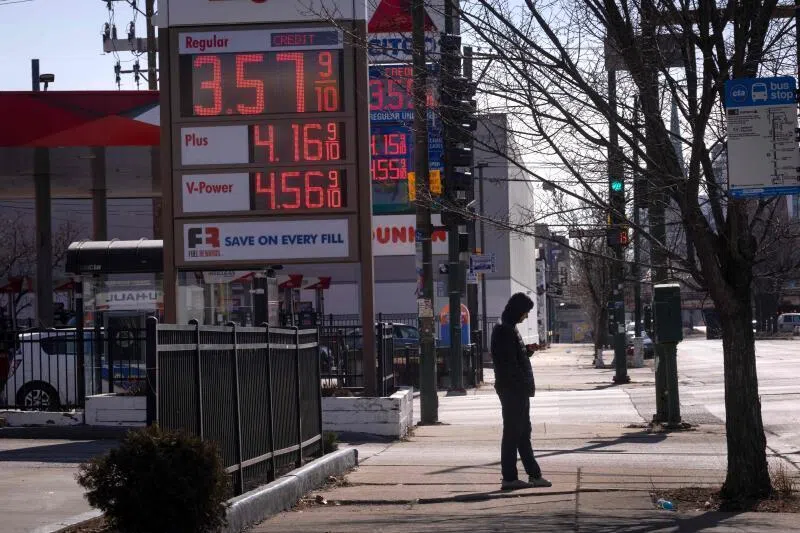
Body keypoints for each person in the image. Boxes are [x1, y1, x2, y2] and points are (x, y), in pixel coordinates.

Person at [491, 293, 552, 491]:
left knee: (522, 433)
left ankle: (534, 474)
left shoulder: (508, 329)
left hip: (515, 389)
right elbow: (508, 364)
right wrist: (520, 384)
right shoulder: (504, 331)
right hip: (513, 390)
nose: (526, 317)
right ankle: (510, 477)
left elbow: (512, 357)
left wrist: (527, 350)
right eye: (525, 313)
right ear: (518, 311)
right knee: (513, 433)